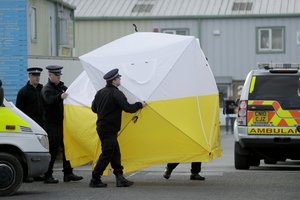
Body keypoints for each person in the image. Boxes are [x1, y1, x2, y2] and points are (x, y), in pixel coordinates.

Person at [90, 68, 146, 188]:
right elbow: (128, 108)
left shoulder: (100, 92)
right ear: (114, 81)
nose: (120, 80)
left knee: (115, 153)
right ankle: (95, 178)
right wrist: (140, 105)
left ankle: (120, 178)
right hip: (109, 129)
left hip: (102, 127)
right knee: (107, 154)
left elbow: (94, 108)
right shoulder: (117, 93)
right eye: (119, 78)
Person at [41, 65, 83, 184]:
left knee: (67, 148)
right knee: (53, 151)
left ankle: (68, 173)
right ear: (50, 75)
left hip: (62, 123)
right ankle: (48, 175)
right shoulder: (47, 89)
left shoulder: (61, 87)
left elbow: (71, 91)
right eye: (56, 75)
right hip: (52, 125)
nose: (58, 77)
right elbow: (49, 100)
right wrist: (60, 96)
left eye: (59, 75)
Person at [16, 67, 45, 182]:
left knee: (38, 149)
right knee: (27, 149)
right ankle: (26, 175)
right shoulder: (23, 92)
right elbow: (19, 111)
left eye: (38, 76)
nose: (37, 78)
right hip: (29, 126)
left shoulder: (42, 89)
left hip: (41, 124)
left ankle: (37, 173)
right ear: (29, 76)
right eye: (34, 76)